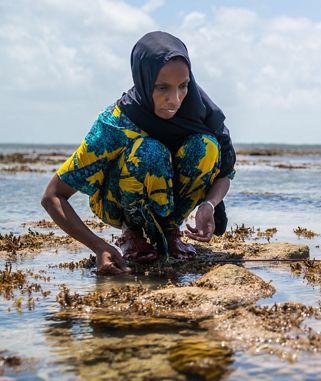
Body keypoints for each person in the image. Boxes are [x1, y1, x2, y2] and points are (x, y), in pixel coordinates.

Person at [41, 31, 236, 275]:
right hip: (117, 202)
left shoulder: (201, 113)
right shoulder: (116, 124)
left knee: (206, 146)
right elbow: (53, 196)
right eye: (162, 87)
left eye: (183, 86)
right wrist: (98, 246)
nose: (174, 100)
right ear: (144, 81)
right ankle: (132, 234)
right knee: (149, 150)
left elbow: (224, 172)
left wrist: (209, 204)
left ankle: (170, 231)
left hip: (171, 202)